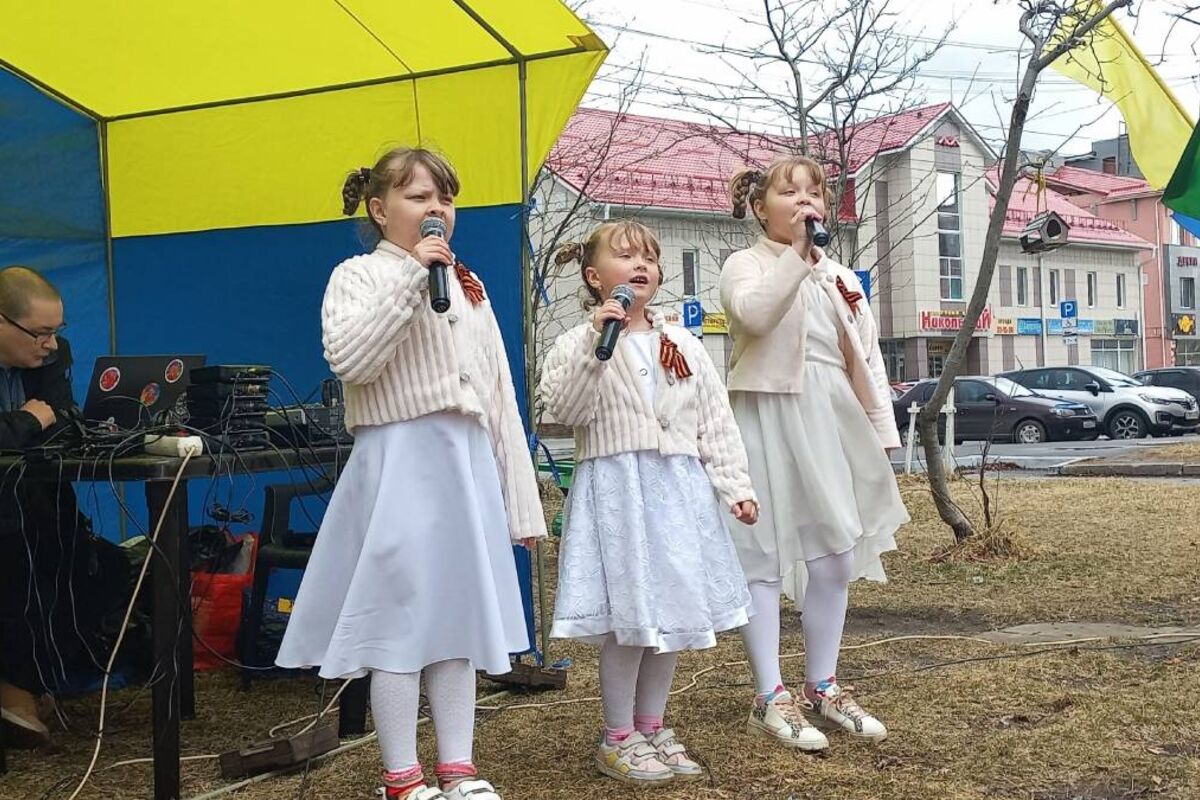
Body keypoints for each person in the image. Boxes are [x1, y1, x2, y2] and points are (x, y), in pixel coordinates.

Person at [274, 148, 546, 800]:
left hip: (464, 463)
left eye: (445, 199)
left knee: (456, 615)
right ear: (379, 208)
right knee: (396, 619)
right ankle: (401, 776)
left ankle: (458, 766)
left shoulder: (468, 289)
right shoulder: (360, 275)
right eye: (420, 197)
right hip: (398, 462)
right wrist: (410, 283)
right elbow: (351, 358)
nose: (436, 211)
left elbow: (500, 400)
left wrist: (520, 503)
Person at [541, 221, 758, 786]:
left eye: (650, 258)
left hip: (677, 493)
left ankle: (651, 723)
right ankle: (617, 734)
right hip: (618, 494)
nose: (642, 265)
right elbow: (564, 409)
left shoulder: (683, 344)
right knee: (630, 619)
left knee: (673, 613)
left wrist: (736, 486)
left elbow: (715, 421)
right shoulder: (576, 342)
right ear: (594, 277)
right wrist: (596, 346)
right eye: (626, 256)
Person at [721, 157, 910, 751]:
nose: (805, 201)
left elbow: (867, 357)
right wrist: (797, 260)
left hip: (830, 416)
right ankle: (769, 697)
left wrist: (882, 433)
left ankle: (822, 685)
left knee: (835, 553)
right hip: (767, 413)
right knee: (762, 555)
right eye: (789, 192)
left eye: (814, 192)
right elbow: (752, 314)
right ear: (760, 207)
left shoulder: (841, 275)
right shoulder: (745, 264)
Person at [0, 265, 98, 747]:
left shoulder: (53, 356)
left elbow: (61, 421)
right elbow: (32, 423)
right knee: (15, 551)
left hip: (29, 494)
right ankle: (15, 688)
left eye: (57, 332)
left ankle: (39, 678)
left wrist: (23, 424)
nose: (50, 345)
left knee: (70, 542)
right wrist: (24, 421)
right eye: (40, 333)